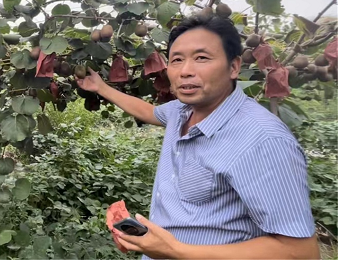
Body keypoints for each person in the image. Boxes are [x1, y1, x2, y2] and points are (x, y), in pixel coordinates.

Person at [77, 15, 320, 259]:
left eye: (201, 58)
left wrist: (175, 251)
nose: (185, 71)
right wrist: (101, 88)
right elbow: (148, 111)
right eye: (177, 60)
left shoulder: (263, 140)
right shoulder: (180, 112)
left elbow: (300, 252)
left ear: (234, 67)